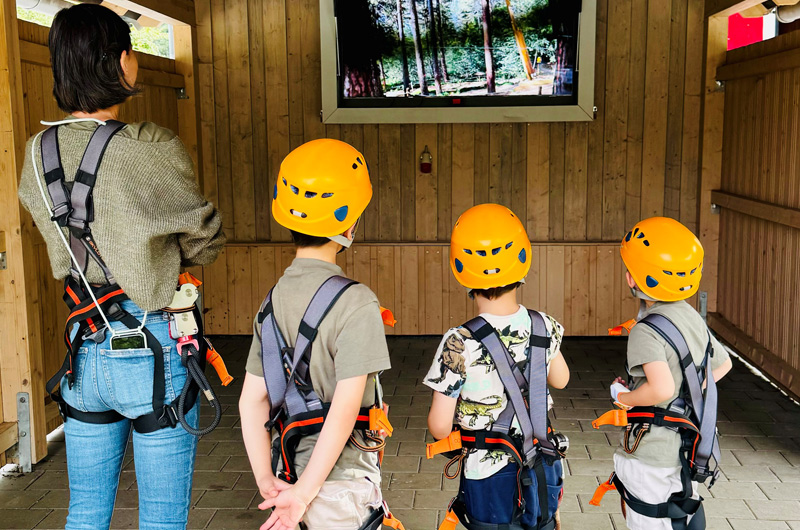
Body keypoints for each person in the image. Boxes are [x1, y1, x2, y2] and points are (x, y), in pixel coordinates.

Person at [17, 5, 225, 529]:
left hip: (84, 348)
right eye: (130, 50)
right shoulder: (149, 148)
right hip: (154, 347)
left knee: (85, 513)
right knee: (162, 519)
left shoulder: (37, 153)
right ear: (118, 61)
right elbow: (205, 241)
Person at [239, 139, 398, 530]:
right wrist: (304, 494)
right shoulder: (357, 302)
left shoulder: (271, 303)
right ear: (350, 223)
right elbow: (344, 409)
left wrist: (267, 481)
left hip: (287, 475)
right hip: (338, 486)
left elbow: (252, 401)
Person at [424, 203, 570, 530]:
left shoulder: (458, 341)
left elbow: (440, 427)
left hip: (487, 472)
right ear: (522, 262)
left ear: (461, 271)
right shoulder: (544, 325)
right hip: (542, 461)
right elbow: (561, 379)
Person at [592, 217, 733, 530]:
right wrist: (690, 392)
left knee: (650, 518)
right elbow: (722, 365)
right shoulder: (691, 316)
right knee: (678, 516)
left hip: (652, 453)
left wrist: (624, 397)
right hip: (687, 445)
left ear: (632, 278)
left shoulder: (646, 329)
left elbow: (661, 389)